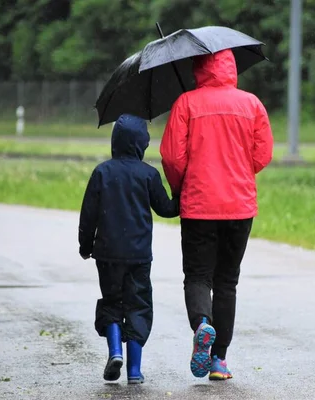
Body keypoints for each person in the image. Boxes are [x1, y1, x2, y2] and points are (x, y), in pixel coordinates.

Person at [159, 49, 273, 380]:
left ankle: (202, 324)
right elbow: (262, 154)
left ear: (198, 68)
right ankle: (219, 360)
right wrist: (238, 169)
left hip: (198, 205)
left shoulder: (186, 104)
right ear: (231, 67)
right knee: (227, 281)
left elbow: (172, 157)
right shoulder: (252, 104)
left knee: (198, 276)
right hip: (239, 205)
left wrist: (182, 186)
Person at [79, 114, 179, 384]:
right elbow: (168, 209)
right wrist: (181, 187)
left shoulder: (102, 172)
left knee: (112, 302)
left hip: (107, 254)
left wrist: (85, 245)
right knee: (138, 307)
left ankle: (114, 352)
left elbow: (88, 215)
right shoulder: (148, 174)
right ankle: (134, 371)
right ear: (141, 144)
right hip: (138, 257)